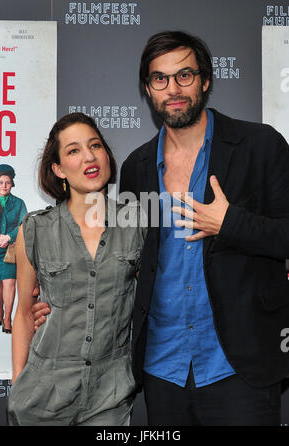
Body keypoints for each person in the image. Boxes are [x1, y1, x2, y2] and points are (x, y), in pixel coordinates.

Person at [33, 31, 289, 426]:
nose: (173, 89)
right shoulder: (136, 167)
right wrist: (60, 307)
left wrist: (230, 223)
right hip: (161, 371)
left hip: (238, 368)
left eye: (185, 75)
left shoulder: (261, 145)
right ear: (148, 89)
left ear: (205, 80)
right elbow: (124, 264)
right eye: (160, 79)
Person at [7, 112, 146, 426]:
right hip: (42, 397)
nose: (89, 156)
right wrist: (18, 382)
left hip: (109, 398)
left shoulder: (136, 222)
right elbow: (25, 312)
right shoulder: (34, 229)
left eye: (95, 145)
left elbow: (152, 302)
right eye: (73, 150)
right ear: (58, 170)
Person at [0, 165, 27, 333]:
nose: (4, 185)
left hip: (11, 248)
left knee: (10, 282)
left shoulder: (19, 203)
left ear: (12, 185)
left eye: (8, 183)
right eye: (1, 182)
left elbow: (24, 224)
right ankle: (0, 309)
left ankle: (7, 319)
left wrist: (8, 237)